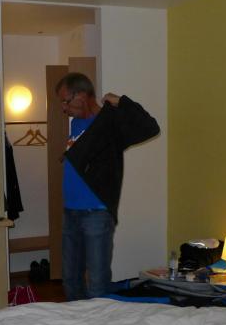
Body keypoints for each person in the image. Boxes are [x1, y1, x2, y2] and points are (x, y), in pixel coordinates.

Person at [56, 72, 160, 300]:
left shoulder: (110, 122)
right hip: (70, 212)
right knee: (71, 280)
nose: (63, 108)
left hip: (96, 213)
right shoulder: (76, 122)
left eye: (66, 101)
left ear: (81, 95)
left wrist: (122, 101)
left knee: (97, 285)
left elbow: (150, 127)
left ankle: (100, 322)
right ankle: (77, 321)